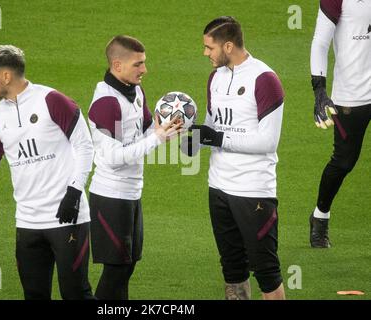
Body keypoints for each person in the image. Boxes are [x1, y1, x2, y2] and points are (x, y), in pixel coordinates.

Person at [0, 45, 95, 300]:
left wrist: (74, 193)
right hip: (28, 223)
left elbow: (85, 146)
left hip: (67, 219)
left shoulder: (51, 100)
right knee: (34, 295)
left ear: (6, 76)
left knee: (76, 294)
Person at [182, 16, 286, 300]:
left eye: (209, 47)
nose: (205, 53)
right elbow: (212, 124)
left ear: (228, 46)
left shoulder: (265, 79)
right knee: (232, 269)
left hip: (253, 191)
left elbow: (268, 141)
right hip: (218, 188)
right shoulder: (216, 78)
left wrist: (218, 139)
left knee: (266, 271)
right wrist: (192, 140)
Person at [87, 35, 182, 300]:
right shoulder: (106, 102)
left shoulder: (135, 91)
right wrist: (157, 138)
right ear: (117, 65)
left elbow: (146, 128)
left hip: (131, 194)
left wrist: (167, 127)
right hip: (110, 196)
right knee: (116, 271)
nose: (145, 70)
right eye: (138, 64)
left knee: (127, 267)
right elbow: (116, 158)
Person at [309, 0, 371, 248]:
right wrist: (319, 90)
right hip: (351, 96)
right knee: (344, 161)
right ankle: (320, 217)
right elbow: (320, 42)